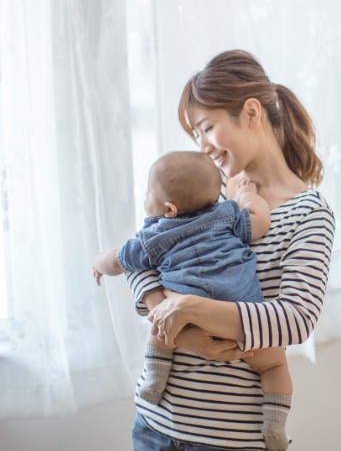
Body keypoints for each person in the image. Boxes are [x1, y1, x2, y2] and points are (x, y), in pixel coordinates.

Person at [126, 49, 335, 451]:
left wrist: (190, 309)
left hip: (226, 439)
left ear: (252, 114)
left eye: (207, 127)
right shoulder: (206, 189)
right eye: (195, 136)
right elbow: (140, 255)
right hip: (154, 424)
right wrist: (184, 334)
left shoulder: (309, 213)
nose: (202, 145)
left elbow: (295, 320)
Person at [93, 151, 294, 445]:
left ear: (170, 209)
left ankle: (154, 379)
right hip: (239, 319)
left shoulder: (153, 238)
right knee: (274, 364)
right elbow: (260, 221)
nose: (145, 197)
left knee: (160, 330)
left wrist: (99, 262)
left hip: (186, 319)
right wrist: (249, 196)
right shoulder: (228, 214)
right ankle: (275, 424)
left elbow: (119, 261)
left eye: (148, 192)